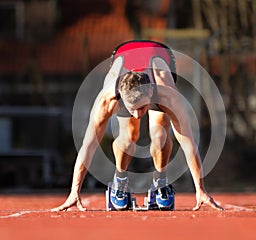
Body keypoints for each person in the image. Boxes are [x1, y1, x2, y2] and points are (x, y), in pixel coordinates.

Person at [52, 40, 223, 211]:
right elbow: (88, 145)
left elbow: (188, 143)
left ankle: (160, 181)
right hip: (123, 54)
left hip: (159, 54)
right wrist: (74, 191)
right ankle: (120, 180)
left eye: (142, 108)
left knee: (159, 137)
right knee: (128, 138)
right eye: (132, 109)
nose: (137, 115)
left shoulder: (168, 96)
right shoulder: (107, 100)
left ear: (150, 93)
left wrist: (200, 190)